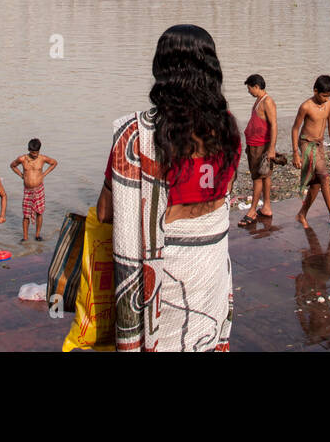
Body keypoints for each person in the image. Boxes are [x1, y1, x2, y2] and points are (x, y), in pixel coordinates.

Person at [97, 24, 241, 352]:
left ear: (161, 70)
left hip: (163, 279)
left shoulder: (136, 135)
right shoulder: (228, 128)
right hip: (210, 269)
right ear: (211, 69)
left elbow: (104, 213)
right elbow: (225, 190)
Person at [293, 75, 330, 230]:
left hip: (319, 144)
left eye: (328, 96)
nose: (325, 99)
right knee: (325, 177)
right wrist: (295, 152)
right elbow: (295, 129)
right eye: (323, 96)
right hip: (306, 144)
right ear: (315, 91)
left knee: (316, 184)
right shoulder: (306, 106)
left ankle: (302, 214)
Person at [239, 75, 278, 226]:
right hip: (256, 144)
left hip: (261, 145)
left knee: (257, 178)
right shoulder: (259, 100)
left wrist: (272, 149)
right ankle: (266, 206)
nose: (249, 91)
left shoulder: (267, 101)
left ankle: (253, 210)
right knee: (265, 176)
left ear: (256, 86)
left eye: (249, 88)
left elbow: (274, 125)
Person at [10, 138, 57, 241]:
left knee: (39, 212)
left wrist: (44, 174)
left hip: (39, 189)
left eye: (36, 152)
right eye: (32, 152)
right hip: (28, 190)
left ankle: (37, 235)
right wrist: (21, 175)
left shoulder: (42, 158)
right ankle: (25, 237)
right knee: (26, 215)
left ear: (39, 151)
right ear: (28, 149)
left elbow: (54, 163)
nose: (34, 154)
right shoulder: (22, 159)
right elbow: (12, 165)